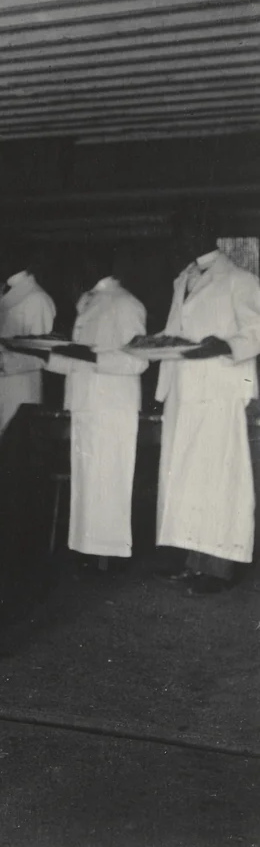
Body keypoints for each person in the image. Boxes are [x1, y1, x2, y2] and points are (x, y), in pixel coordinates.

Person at [154, 212, 260, 595]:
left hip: (220, 392)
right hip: (185, 393)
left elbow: (257, 329)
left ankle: (218, 568)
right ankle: (194, 561)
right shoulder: (183, 279)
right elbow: (175, 333)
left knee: (219, 481)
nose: (176, 240)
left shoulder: (239, 280)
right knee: (189, 480)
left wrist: (226, 346)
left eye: (181, 230)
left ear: (204, 231)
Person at [42, 250, 148, 563]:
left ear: (102, 263)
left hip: (112, 407)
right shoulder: (88, 302)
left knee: (109, 480)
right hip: (87, 404)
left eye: (83, 263)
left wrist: (89, 356)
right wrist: (40, 355)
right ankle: (89, 552)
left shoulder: (125, 303)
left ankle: (109, 556)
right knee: (88, 481)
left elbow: (137, 361)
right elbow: (77, 362)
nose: (77, 273)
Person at [0, 243, 55, 537]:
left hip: (17, 393)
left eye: (2, 255)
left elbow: (42, 355)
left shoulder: (37, 300)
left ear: (21, 258)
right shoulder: (9, 294)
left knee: (5, 465)